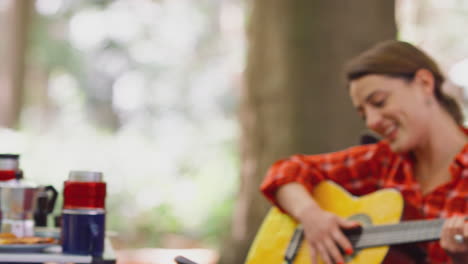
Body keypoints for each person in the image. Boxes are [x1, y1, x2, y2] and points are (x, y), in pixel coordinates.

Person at [260, 40, 468, 264]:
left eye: (379, 102)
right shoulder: (382, 162)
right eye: (363, 114)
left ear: (424, 83)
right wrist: (312, 217)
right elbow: (286, 171)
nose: (372, 122)